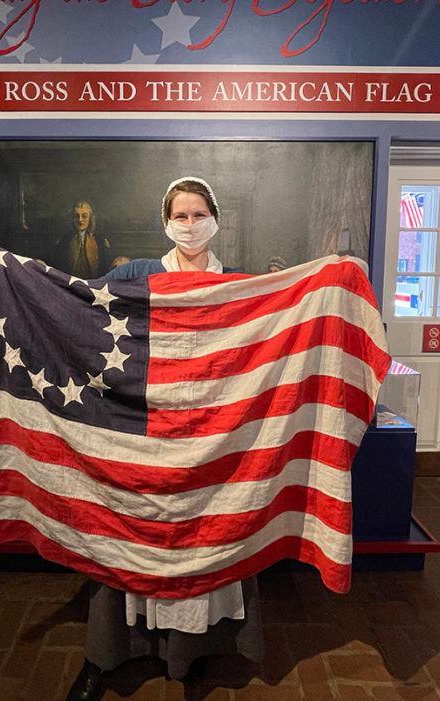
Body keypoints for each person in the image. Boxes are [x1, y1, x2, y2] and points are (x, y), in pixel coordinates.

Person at [66, 177, 264, 701]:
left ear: (216, 219)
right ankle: (102, 658)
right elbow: (81, 307)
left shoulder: (237, 285)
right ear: (165, 220)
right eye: (182, 215)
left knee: (205, 544)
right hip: (143, 432)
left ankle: (191, 654)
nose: (191, 224)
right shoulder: (137, 275)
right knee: (124, 539)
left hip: (212, 438)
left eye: (200, 214)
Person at [56, 200, 111, 279]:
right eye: (76, 216)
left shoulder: (100, 240)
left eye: (84, 216)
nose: (80, 220)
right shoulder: (64, 240)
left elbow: (105, 267)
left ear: (90, 218)